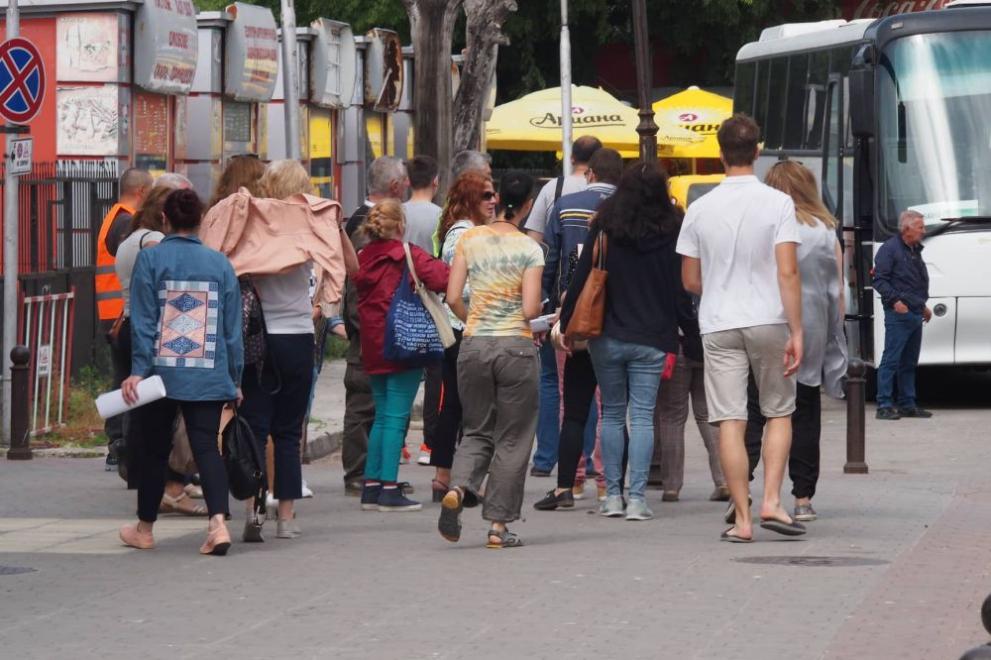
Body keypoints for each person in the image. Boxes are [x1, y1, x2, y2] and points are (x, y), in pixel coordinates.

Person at [676, 114, 805, 543]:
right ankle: (772, 500)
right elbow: (788, 272)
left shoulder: (699, 208)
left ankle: (743, 520)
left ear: (720, 153)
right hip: (769, 317)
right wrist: (798, 330)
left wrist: (720, 287)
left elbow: (690, 280)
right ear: (758, 151)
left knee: (730, 420)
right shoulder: (778, 204)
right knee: (778, 411)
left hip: (718, 321)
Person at [559, 161, 685, 522]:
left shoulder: (605, 226)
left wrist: (567, 325)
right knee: (642, 415)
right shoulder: (673, 229)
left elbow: (582, 277)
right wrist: (688, 332)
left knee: (612, 413)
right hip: (653, 335)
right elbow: (679, 289)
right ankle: (638, 499)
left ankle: (612, 496)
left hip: (608, 334)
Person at [118, 189, 241, 556]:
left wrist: (137, 371)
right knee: (207, 447)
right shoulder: (220, 264)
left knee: (154, 450)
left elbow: (143, 322)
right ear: (200, 221)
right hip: (209, 371)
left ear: (164, 220)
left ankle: (144, 529)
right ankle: (218, 524)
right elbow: (232, 330)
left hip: (161, 373)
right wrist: (235, 378)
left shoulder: (151, 259)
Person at [438, 171, 544, 548]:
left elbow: (453, 296)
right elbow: (530, 309)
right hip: (516, 346)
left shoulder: (469, 239)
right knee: (513, 436)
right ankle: (498, 526)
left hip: (475, 345)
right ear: (528, 204)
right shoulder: (530, 248)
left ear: (497, 197)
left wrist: (473, 322)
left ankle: (458, 487)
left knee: (477, 428)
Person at [741, 160, 848, 523]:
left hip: (764, 324)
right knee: (804, 412)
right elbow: (837, 291)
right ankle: (802, 496)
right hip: (810, 327)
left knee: (756, 411)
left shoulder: (760, 225)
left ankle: (742, 490)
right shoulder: (823, 230)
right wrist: (835, 334)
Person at [237, 161, 326, 541]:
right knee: (288, 431)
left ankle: (253, 510)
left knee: (255, 427)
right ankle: (286, 517)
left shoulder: (251, 224)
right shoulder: (308, 227)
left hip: (257, 335)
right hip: (297, 335)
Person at [533, 148, 623, 511]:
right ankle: (609, 485)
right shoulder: (630, 210)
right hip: (618, 320)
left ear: (590, 174)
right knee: (613, 408)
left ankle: (569, 483)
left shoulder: (565, 206)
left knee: (572, 405)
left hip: (576, 318)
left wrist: (550, 310)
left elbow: (550, 261)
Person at [114, 185, 208, 516]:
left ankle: (149, 492)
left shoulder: (130, 239)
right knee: (170, 421)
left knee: (145, 419)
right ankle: (171, 488)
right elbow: (164, 290)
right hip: (162, 335)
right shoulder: (154, 245)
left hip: (131, 328)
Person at [354, 200, 449, 512]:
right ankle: (389, 489)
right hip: (404, 341)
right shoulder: (408, 254)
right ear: (400, 225)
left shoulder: (363, 257)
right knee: (396, 417)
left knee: (382, 415)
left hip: (372, 344)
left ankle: (371, 486)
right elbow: (442, 278)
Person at [525, 136, 602, 479]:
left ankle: (546, 457)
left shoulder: (552, 190)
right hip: (598, 303)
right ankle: (587, 458)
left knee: (550, 382)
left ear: (572, 158)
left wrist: (541, 296)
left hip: (559, 303)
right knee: (593, 386)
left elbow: (535, 244)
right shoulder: (611, 195)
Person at [341, 156, 410, 492]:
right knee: (365, 404)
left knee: (376, 405)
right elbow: (357, 285)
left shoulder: (359, 220)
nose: (408, 186)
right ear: (395, 186)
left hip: (370, 328)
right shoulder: (365, 226)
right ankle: (359, 473)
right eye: (405, 181)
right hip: (370, 330)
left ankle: (374, 474)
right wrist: (364, 326)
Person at [431, 172, 498, 502]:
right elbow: (459, 288)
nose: (493, 200)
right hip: (462, 328)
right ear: (470, 198)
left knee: (459, 405)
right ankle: (452, 477)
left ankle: (448, 476)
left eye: (494, 194)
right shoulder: (463, 234)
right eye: (486, 195)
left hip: (464, 327)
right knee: (466, 406)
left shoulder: (470, 231)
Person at [98, 168, 153, 471]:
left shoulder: (115, 217)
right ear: (142, 192)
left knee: (122, 377)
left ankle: (119, 443)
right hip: (122, 312)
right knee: (128, 378)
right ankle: (120, 443)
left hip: (115, 311)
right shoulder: (126, 223)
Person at [650, 300, 727, 503]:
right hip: (708, 343)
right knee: (708, 415)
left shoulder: (672, 279)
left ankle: (671, 486)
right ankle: (723, 481)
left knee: (672, 418)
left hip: (677, 346)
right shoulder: (708, 279)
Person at [403, 155, 444, 466]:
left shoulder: (397, 214)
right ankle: (430, 443)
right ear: (436, 182)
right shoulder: (441, 217)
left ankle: (398, 440)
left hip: (401, 300)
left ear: (407, 181)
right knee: (435, 375)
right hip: (434, 300)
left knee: (401, 372)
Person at [873, 209, 932, 421]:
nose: (924, 231)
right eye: (920, 227)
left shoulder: (914, 249)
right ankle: (884, 405)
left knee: (909, 362)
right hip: (898, 314)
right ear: (907, 228)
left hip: (915, 312)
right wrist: (895, 302)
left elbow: (914, 281)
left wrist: (922, 306)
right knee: (891, 360)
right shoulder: (889, 249)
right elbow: (879, 280)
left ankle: (907, 404)